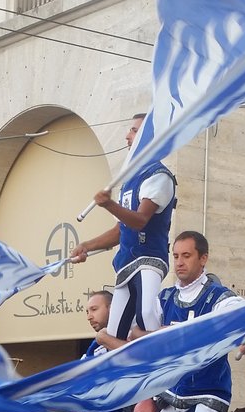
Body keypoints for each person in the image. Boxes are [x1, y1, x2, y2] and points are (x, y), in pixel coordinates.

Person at [133, 231, 245, 412]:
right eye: (175, 256)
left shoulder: (219, 297)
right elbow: (135, 333)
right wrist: (164, 333)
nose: (179, 262)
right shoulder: (164, 298)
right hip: (174, 392)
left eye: (186, 255)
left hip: (208, 390)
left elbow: (241, 324)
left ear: (203, 258)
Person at [67, 112, 176, 342]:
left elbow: (139, 221)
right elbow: (122, 230)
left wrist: (108, 205)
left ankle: (159, 352)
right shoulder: (130, 180)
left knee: (147, 314)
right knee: (113, 331)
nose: (127, 136)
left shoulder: (159, 176)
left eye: (134, 131)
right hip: (125, 264)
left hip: (148, 259)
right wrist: (87, 245)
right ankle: (130, 356)